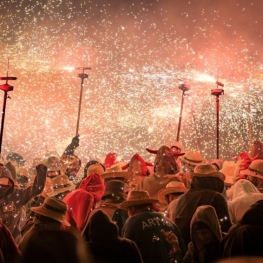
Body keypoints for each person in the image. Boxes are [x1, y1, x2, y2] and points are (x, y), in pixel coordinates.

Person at [174, 164, 232, 247]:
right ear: (213, 180)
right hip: (209, 248)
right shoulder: (216, 197)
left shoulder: (183, 198)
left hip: (185, 246)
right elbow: (226, 227)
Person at [121, 190, 186, 263]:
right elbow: (182, 253)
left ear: (131, 208)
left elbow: (126, 254)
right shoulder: (170, 222)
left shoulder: (131, 223)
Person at [0, 163, 47, 244]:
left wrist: (41, 172)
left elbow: (37, 189)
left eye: (7, 182)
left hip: (13, 245)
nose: (4, 186)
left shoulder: (17, 194)